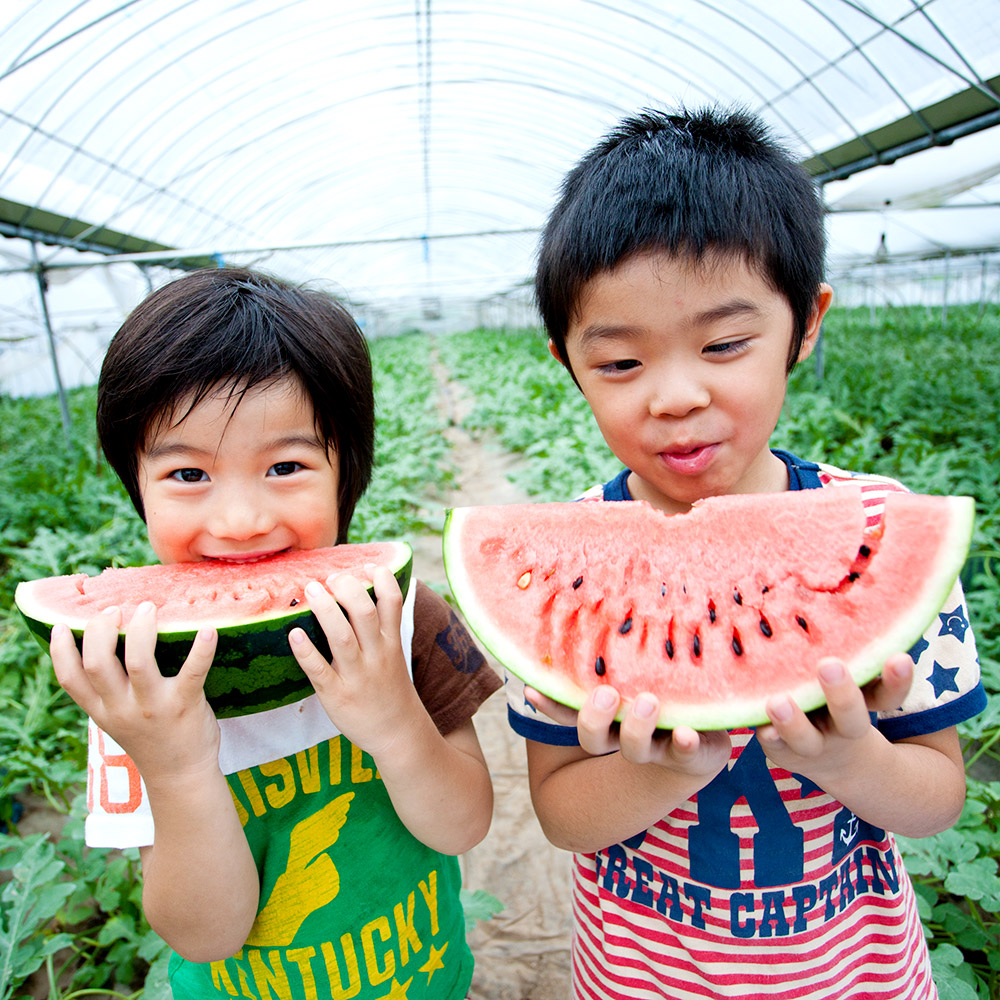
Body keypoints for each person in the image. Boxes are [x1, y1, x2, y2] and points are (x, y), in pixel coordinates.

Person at [508, 107, 986, 999]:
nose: (676, 396)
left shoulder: (885, 531)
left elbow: (940, 797)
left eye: (724, 345)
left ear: (806, 324)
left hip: (858, 978)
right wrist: (660, 771)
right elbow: (561, 813)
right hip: (637, 980)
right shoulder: (560, 568)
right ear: (568, 363)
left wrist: (854, 762)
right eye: (619, 364)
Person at [50, 267, 501, 1000]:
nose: (239, 520)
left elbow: (463, 826)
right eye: (188, 475)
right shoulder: (138, 677)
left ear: (345, 473)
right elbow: (204, 935)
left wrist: (395, 722)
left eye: (286, 466)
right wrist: (175, 768)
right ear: (136, 487)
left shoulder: (406, 618)